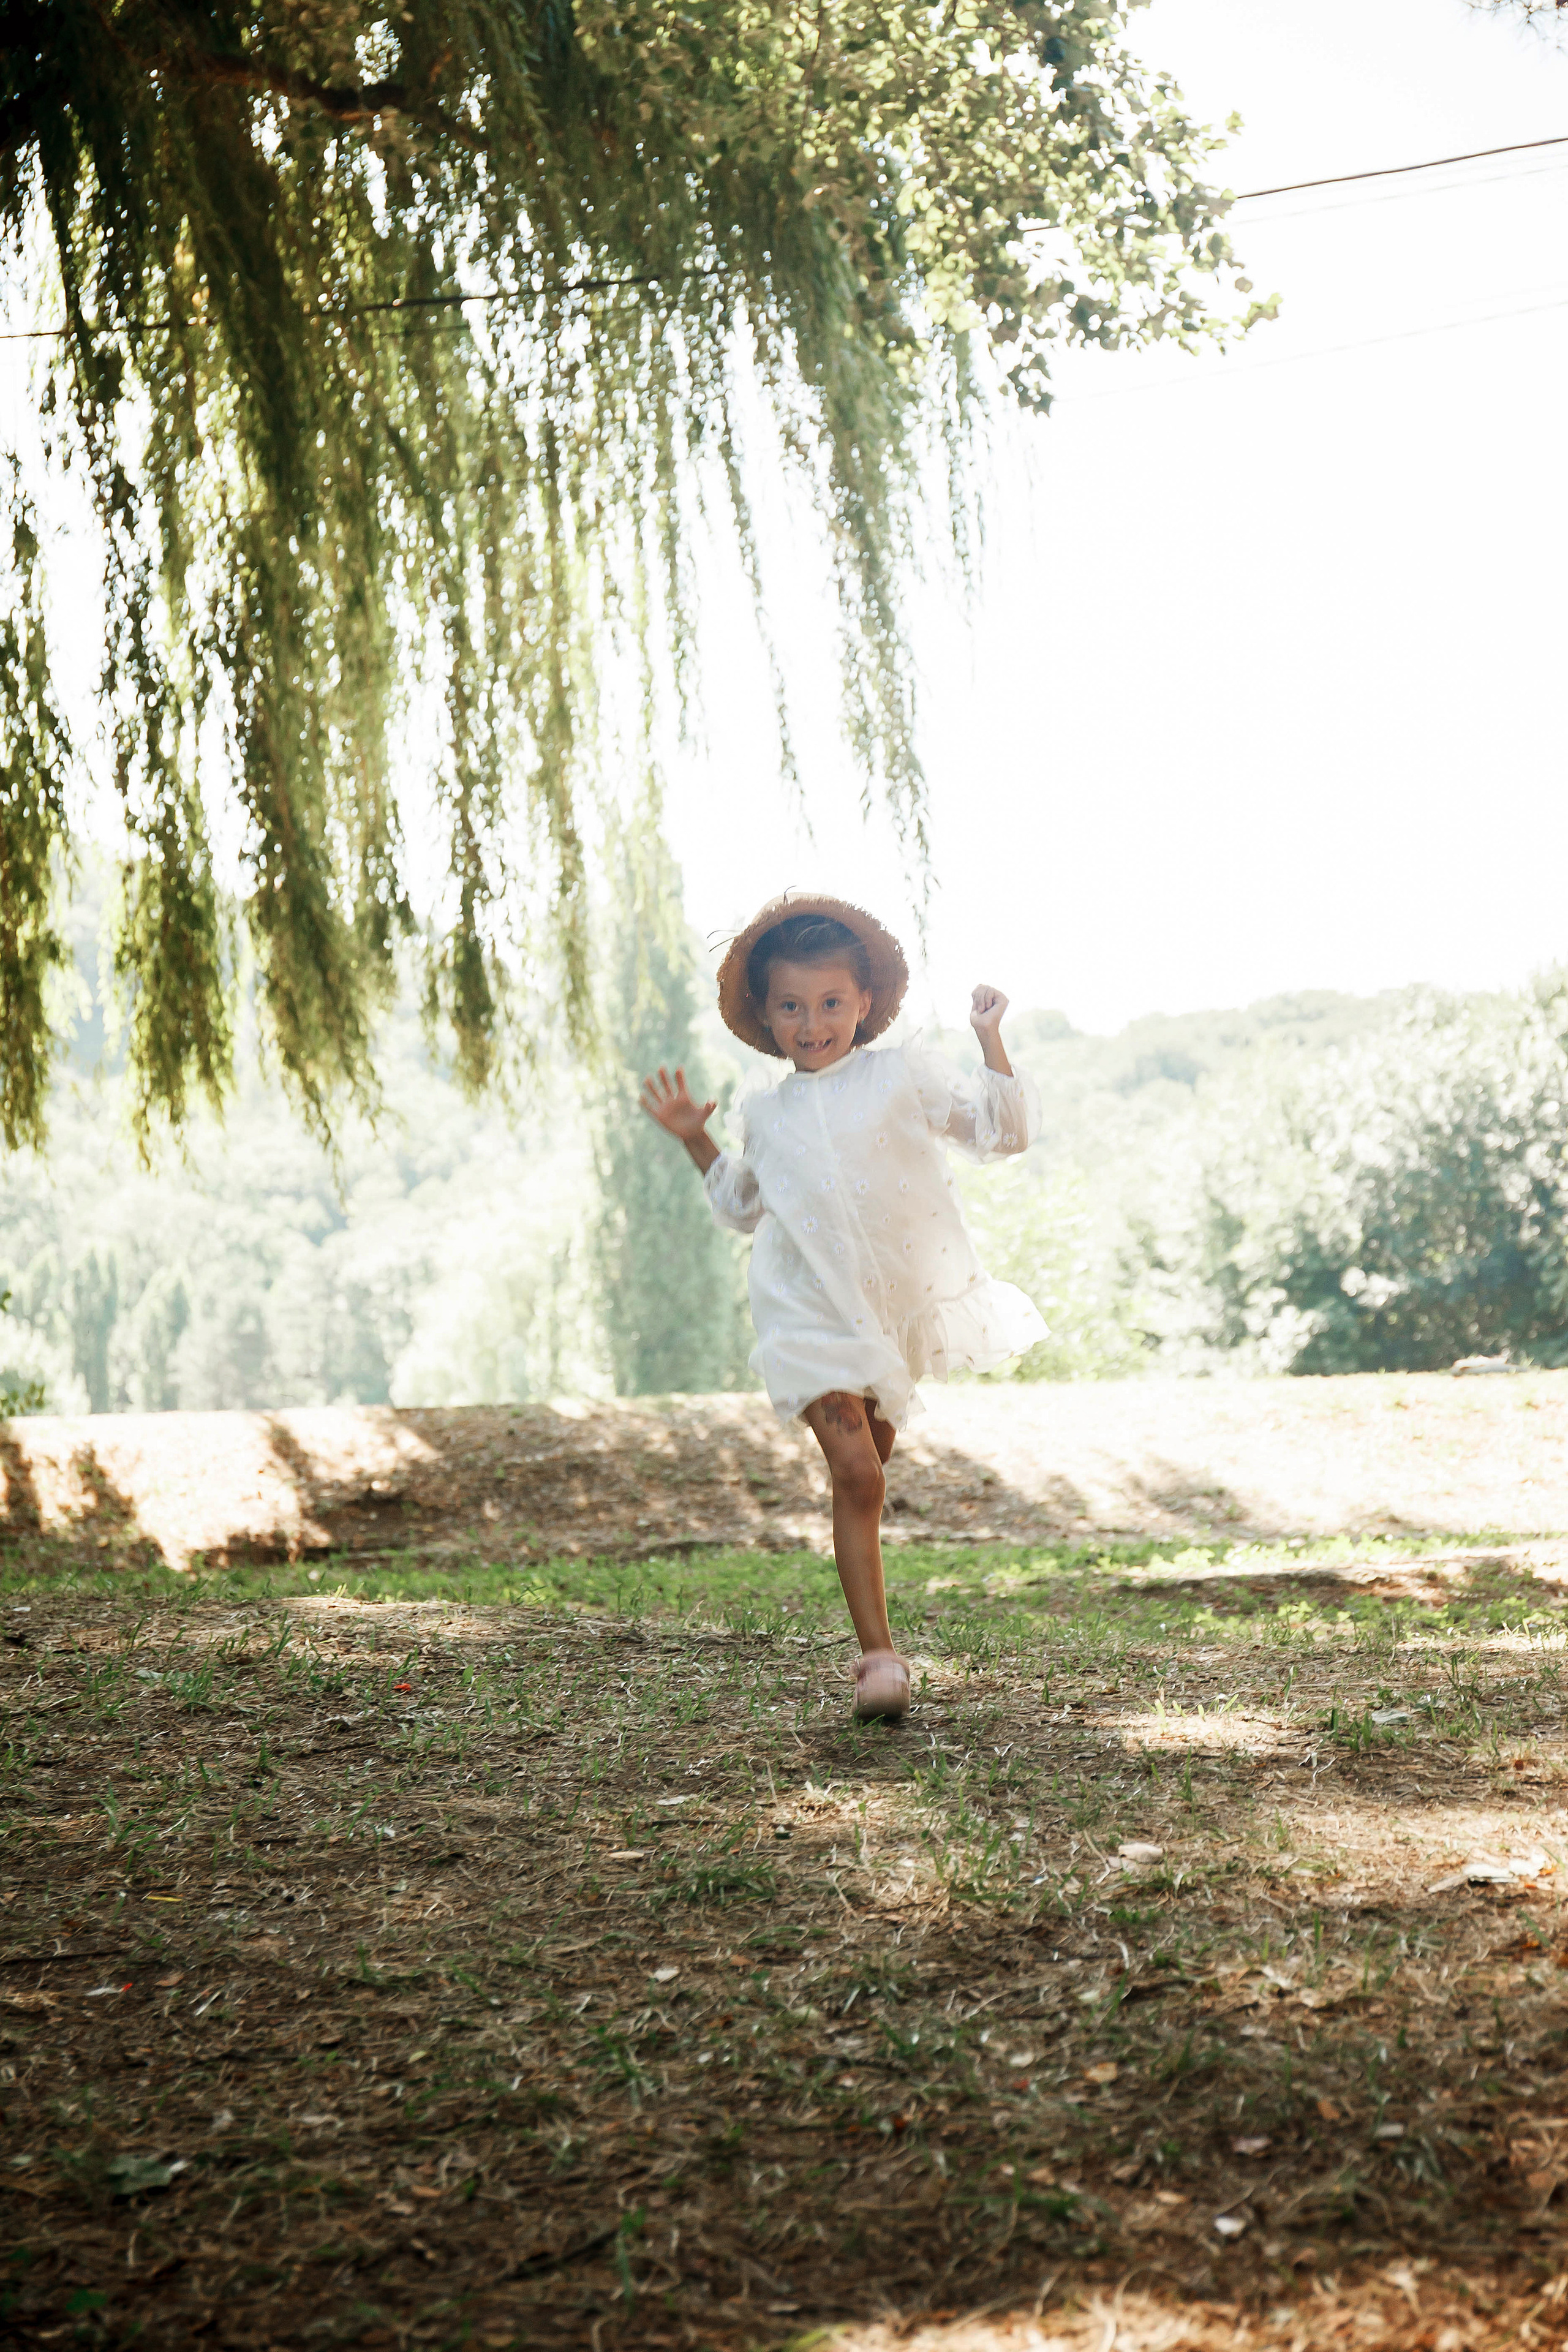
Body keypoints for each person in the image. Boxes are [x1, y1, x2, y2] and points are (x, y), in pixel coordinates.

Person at [639, 892, 1044, 1722]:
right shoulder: (769, 1110)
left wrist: (990, 1038)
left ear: (864, 1004)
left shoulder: (899, 1075)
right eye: (791, 1006)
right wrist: (694, 1135)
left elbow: (1001, 1135)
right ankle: (879, 1658)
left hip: (890, 1312)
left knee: (867, 1482)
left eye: (830, 1003)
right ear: (765, 1013)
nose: (811, 1023)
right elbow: (745, 1206)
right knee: (856, 1470)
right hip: (804, 1310)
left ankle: (876, 1642)